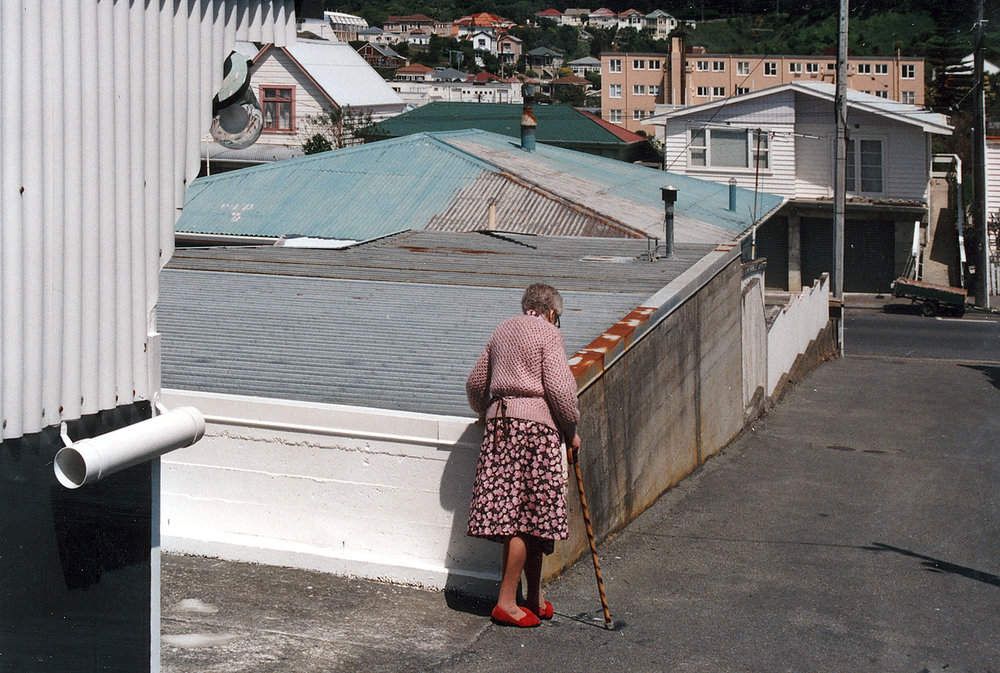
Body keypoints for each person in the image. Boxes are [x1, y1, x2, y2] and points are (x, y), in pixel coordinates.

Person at [465, 283, 582, 628]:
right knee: (527, 517)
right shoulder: (548, 334)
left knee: (521, 515)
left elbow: (475, 383)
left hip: (500, 427)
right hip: (535, 433)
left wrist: (487, 411)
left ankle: (533, 598)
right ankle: (506, 603)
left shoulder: (502, 329)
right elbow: (561, 391)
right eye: (557, 318)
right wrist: (572, 431)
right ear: (550, 313)